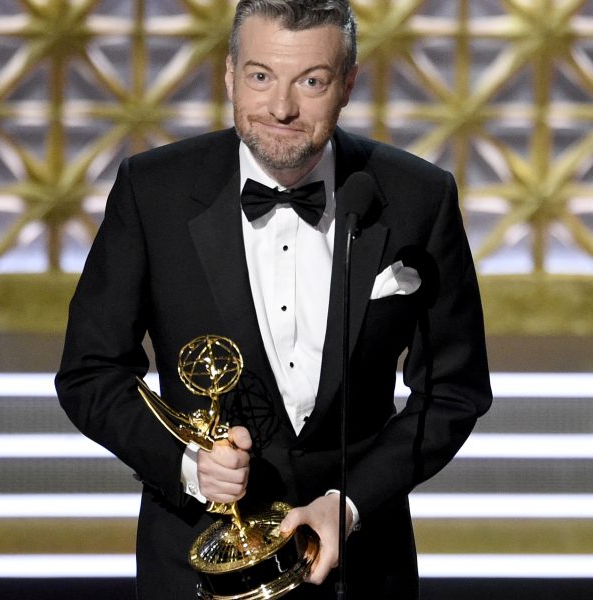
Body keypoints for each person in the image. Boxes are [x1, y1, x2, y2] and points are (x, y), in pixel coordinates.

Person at [55, 1, 492, 598]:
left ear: (347, 85)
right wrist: (188, 466)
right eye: (260, 76)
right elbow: (90, 371)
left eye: (311, 82)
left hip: (360, 568)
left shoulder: (419, 196)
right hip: (196, 564)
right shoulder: (152, 190)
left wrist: (351, 502)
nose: (281, 107)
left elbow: (452, 390)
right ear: (229, 75)